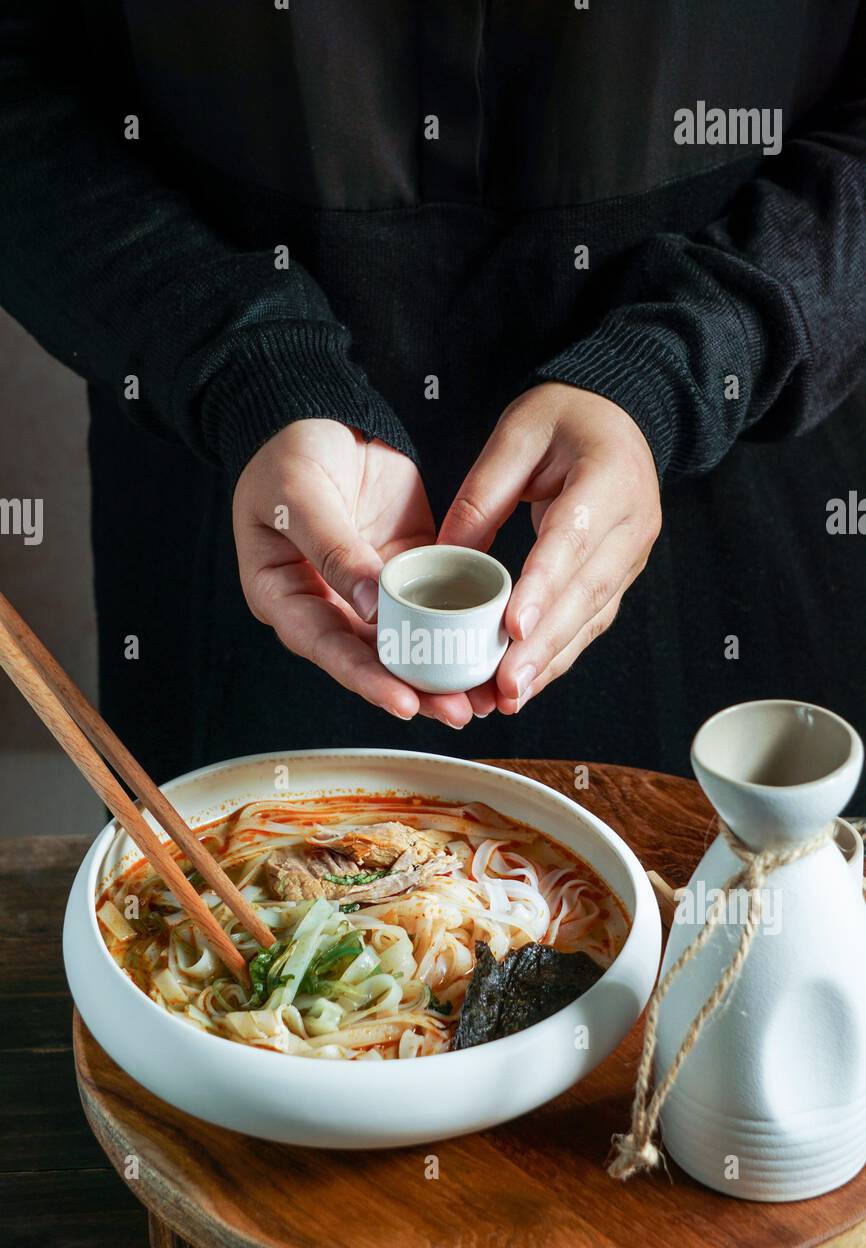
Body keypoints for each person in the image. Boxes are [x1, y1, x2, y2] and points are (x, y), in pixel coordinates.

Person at [2, 1, 865, 791]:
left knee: (733, 925)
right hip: (246, 513)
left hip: (739, 527)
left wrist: (687, 360)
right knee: (233, 946)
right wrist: (248, 369)